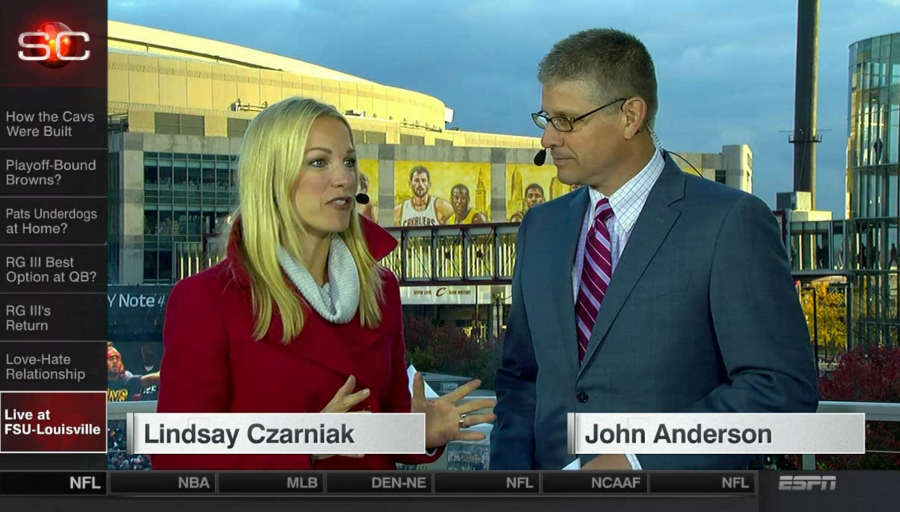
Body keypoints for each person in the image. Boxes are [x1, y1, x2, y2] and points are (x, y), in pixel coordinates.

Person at [491, 29, 818, 471]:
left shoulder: (729, 223)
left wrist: (638, 458)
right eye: (545, 118)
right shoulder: (540, 229)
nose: (548, 138)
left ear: (631, 116)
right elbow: (520, 381)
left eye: (566, 120)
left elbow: (781, 389)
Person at [154, 98, 495, 470]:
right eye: (320, 162)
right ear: (272, 176)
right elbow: (177, 453)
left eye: (349, 161)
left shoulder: (379, 291)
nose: (344, 178)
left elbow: (368, 430)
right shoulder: (205, 301)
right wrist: (305, 442)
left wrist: (417, 431)